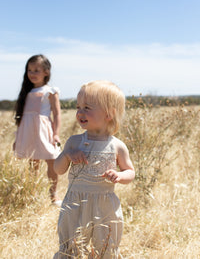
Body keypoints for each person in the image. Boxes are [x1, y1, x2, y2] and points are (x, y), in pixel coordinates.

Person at [53, 80, 135, 258]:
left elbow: (130, 172)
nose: (80, 112)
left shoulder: (117, 146)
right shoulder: (74, 142)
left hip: (104, 204)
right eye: (78, 107)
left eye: (87, 107)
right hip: (75, 203)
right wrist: (67, 155)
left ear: (109, 114)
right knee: (71, 244)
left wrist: (119, 175)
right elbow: (58, 169)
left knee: (105, 245)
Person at [14, 54, 61, 205]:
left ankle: (53, 195)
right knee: (32, 163)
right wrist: (17, 139)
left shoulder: (50, 91)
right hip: (27, 131)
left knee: (51, 160)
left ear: (46, 72)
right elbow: (22, 118)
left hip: (44, 130)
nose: (32, 74)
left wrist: (56, 134)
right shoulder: (26, 92)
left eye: (36, 70)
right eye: (29, 70)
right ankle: (31, 193)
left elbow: (57, 113)